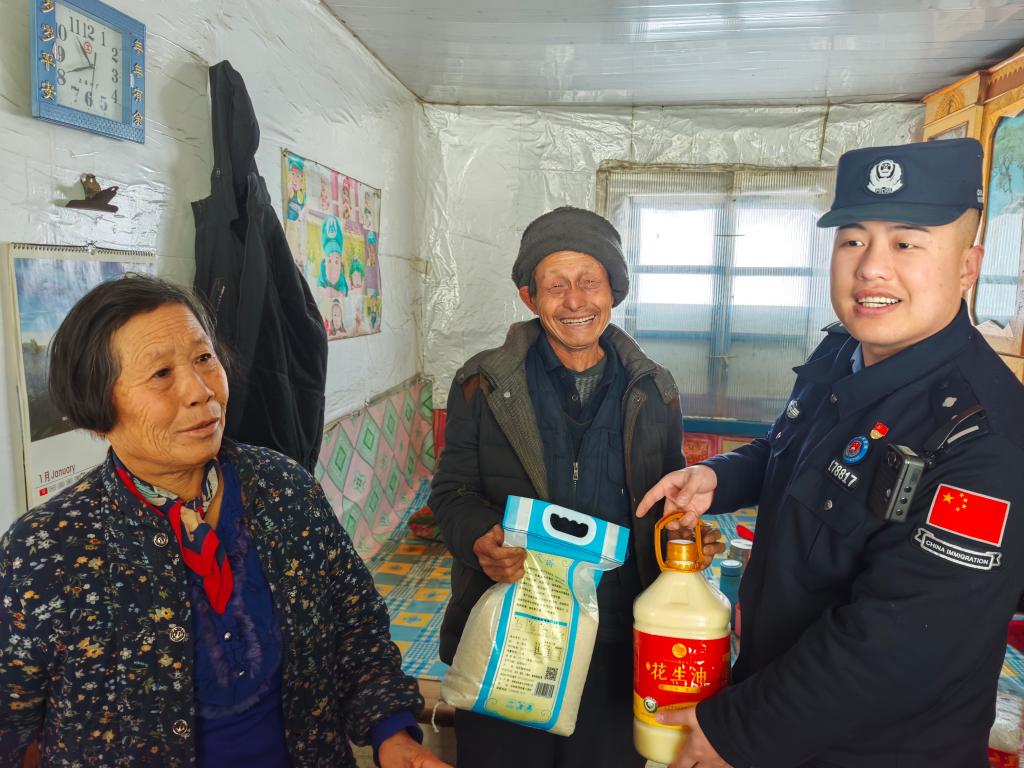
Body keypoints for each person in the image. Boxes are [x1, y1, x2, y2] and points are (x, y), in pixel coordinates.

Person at [637, 137, 1024, 767]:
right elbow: (790, 448)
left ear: (967, 266)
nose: (871, 268)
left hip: (873, 748)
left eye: (906, 243)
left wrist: (742, 728)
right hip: (785, 700)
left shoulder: (982, 437)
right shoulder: (842, 352)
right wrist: (719, 478)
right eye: (852, 241)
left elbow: (905, 637)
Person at [0, 275, 450, 768]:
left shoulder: (284, 489)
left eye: (203, 358)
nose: (201, 391)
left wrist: (392, 734)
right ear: (96, 405)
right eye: (161, 374)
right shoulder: (47, 550)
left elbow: (355, 625)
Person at [430, 206, 706, 767]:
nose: (575, 300)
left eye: (589, 282)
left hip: (616, 640)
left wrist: (683, 528)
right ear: (530, 297)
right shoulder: (483, 384)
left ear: (614, 291)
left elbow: (669, 501)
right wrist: (480, 537)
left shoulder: (654, 389)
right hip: (511, 635)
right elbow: (451, 493)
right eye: (556, 285)